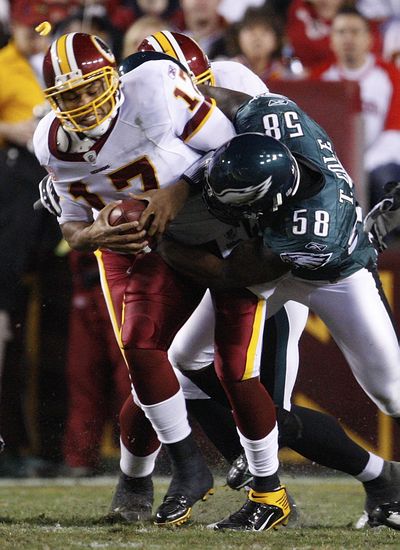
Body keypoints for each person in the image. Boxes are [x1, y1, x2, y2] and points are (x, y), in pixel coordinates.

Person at [33, 32, 291, 530]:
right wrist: (93, 233)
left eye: (91, 88)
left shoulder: (153, 85)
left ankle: (272, 487)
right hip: (135, 244)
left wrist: (173, 195)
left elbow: (228, 151)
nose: (83, 104)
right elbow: (71, 222)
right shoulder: (50, 141)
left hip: (213, 235)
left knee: (237, 368)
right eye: (69, 96)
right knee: (140, 353)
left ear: (115, 76)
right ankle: (164, 474)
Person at [156, 89, 400, 529]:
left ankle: (273, 438)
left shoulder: (310, 229)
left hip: (335, 273)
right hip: (272, 254)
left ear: (266, 204)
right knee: (186, 357)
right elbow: (221, 97)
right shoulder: (270, 115)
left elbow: (229, 274)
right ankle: (271, 438)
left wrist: (158, 237)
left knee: (391, 393)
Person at [312, 7, 400, 207]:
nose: (348, 39)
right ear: (331, 39)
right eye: (341, 32)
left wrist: (360, 166)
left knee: (386, 180)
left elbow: (395, 134)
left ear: (369, 38)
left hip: (379, 163)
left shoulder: (391, 76)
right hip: (333, 165)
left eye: (355, 31)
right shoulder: (318, 79)